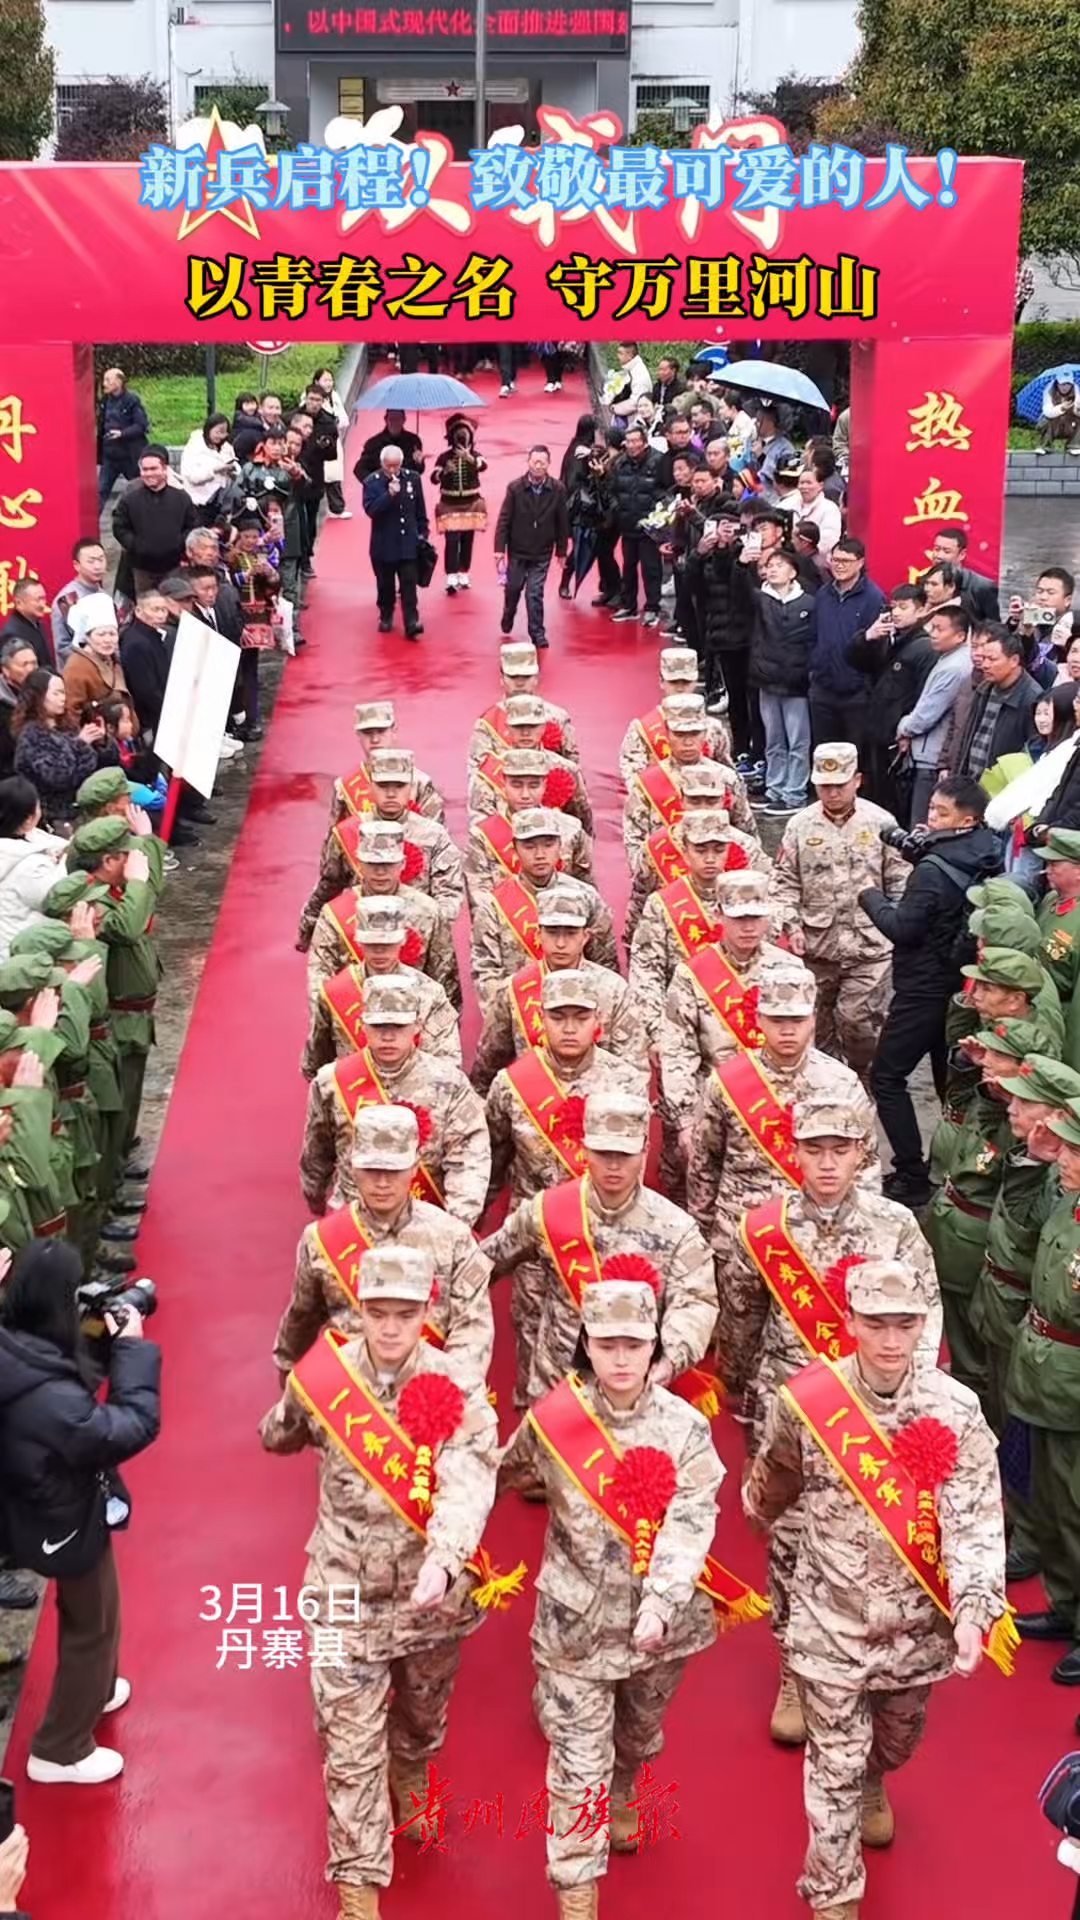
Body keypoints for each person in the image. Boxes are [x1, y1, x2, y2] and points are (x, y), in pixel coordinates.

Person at [745, 1257, 1008, 1920]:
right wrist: (759, 1514)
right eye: (875, 1324)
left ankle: (876, 1780)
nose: (891, 1341)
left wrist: (974, 1612)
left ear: (924, 1325)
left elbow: (975, 1518)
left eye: (905, 1324)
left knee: (895, 1739)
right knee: (830, 1764)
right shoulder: (810, 1401)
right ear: (850, 1322)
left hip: (915, 1631)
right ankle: (835, 1898)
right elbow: (774, 1476)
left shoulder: (955, 1411)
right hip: (828, 1622)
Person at [260, 1243, 498, 1918]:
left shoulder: (456, 1388)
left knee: (422, 1715)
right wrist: (277, 1422)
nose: (390, 1328)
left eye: (404, 1313)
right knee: (347, 1746)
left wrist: (446, 1560)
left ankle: (415, 1764)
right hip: (340, 1590)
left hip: (430, 1601)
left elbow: (469, 1483)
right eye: (377, 1313)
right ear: (359, 1310)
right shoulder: (325, 1379)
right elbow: (280, 1430)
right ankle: (359, 1890)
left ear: (427, 1311)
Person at [500, 1263, 725, 1919]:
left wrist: (660, 1600)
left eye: (635, 1344)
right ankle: (576, 1893)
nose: (621, 1357)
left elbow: (692, 1520)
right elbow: (505, 1471)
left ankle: (627, 1783)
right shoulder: (557, 1419)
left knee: (640, 1733)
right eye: (607, 1343)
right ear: (587, 1344)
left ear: (655, 1346)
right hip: (574, 1628)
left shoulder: (685, 1428)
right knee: (576, 1765)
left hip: (662, 1627)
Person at [727, 1097, 941, 1746]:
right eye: (813, 1149)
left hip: (874, 1420)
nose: (826, 1163)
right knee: (790, 1547)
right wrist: (742, 1400)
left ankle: (871, 1675)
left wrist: (911, 1400)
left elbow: (924, 1316)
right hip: (791, 1414)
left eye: (840, 1150)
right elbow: (739, 1320)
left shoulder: (896, 1226)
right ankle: (794, 1666)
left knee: (869, 1551)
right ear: (793, 1152)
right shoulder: (764, 1228)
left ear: (861, 1154)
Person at [0, 1238, 160, 1783]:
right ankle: (60, 1748)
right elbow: (126, 1428)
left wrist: (99, 1333)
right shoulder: (48, 1402)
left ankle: (97, 1686)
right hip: (60, 1518)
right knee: (92, 1620)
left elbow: (67, 1368)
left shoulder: (15, 1341)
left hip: (45, 1501)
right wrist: (134, 1349)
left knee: (98, 1604)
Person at [483, 1087, 717, 1411]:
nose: (613, 1165)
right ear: (585, 1148)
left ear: (646, 1150)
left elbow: (696, 1303)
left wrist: (668, 1362)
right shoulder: (548, 1211)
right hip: (557, 1395)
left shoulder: (676, 1229)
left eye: (625, 1154)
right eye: (603, 1152)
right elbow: (482, 1265)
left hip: (637, 1398)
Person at [686, 962, 879, 1300]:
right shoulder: (727, 1083)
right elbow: (705, 1162)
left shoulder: (841, 1084)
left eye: (797, 1020)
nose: (787, 1031)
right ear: (759, 1019)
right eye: (777, 1020)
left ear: (814, 1020)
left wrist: (859, 1233)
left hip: (818, 1240)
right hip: (741, 1235)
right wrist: (703, 1232)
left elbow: (866, 1166)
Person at [860, 775, 1003, 1205]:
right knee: (951, 1082)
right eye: (931, 809)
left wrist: (870, 896)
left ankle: (911, 1173)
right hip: (961, 988)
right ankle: (959, 1166)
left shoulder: (930, 873)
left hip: (922, 988)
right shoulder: (987, 852)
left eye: (941, 813)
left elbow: (902, 927)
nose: (930, 818)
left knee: (886, 1077)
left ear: (967, 818)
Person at [274, 1104, 492, 1381]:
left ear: (414, 1167)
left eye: (394, 1170)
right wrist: (289, 1368)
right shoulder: (320, 1240)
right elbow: (302, 1318)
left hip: (427, 1396)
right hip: (352, 1395)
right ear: (353, 1167)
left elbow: (473, 1326)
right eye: (372, 1169)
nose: (382, 1182)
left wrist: (447, 1390)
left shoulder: (454, 1239)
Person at [299, 974, 490, 1226]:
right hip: (355, 1219)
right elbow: (317, 1148)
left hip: (427, 1220)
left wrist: (454, 1225)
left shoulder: (450, 1084)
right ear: (364, 1026)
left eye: (398, 1026)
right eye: (379, 1027)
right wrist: (314, 1191)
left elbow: (470, 1157)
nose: (388, 1036)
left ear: (417, 1026)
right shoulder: (331, 1082)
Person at [774, 743, 907, 1081]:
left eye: (840, 784)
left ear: (857, 780)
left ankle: (862, 1073)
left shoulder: (881, 822)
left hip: (870, 946)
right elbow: (785, 881)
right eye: (824, 785)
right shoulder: (800, 826)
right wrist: (793, 926)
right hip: (818, 946)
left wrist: (897, 925)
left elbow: (899, 880)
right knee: (816, 1028)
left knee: (858, 1022)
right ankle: (830, 1083)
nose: (831, 793)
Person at [471, 882, 647, 1096]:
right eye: (553, 932)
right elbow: (487, 1069)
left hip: (599, 1112)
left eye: (571, 933)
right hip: (534, 1112)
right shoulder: (514, 989)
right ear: (538, 934)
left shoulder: (613, 990)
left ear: (585, 936)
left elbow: (633, 1070)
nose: (561, 943)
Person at [659, 867, 787, 1143]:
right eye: (739, 918)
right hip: (713, 1104)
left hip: (774, 1102)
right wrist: (685, 1121)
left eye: (756, 917)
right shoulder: (691, 975)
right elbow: (678, 1050)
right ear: (719, 915)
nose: (749, 927)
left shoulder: (789, 970)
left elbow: (801, 1047)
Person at [304, 820, 460, 1015]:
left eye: (388, 863)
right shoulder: (333, 915)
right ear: (359, 864)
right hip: (351, 1022)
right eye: (373, 863)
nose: (380, 871)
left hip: (412, 1024)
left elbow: (445, 979)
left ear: (402, 863)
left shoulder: (428, 911)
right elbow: (321, 981)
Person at [300, 893, 461, 1081]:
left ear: (402, 941)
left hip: (416, 1099)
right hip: (355, 1098)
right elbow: (316, 1065)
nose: (379, 950)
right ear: (359, 942)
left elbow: (448, 1066)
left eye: (387, 942)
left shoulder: (431, 994)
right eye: (372, 942)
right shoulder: (334, 993)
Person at [469, 809, 616, 1006]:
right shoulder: (493, 905)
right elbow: (487, 974)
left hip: (579, 1013)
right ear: (515, 848)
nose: (540, 854)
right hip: (522, 1014)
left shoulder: (586, 896)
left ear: (559, 845)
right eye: (529, 846)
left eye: (548, 845)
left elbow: (605, 962)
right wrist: (512, 1018)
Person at [845, 583, 934, 821]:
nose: (896, 613)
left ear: (922, 609)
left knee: (893, 796)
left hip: (897, 734)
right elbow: (855, 662)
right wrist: (867, 638)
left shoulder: (924, 647)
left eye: (903, 607)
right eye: (894, 607)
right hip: (875, 726)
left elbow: (922, 694)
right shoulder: (888, 638)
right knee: (874, 789)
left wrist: (908, 731)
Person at [749, 546, 816, 815]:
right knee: (774, 738)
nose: (773, 568)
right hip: (766, 679)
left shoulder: (809, 603)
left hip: (796, 682)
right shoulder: (758, 599)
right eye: (769, 565)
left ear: (793, 572)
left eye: (779, 564)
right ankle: (774, 787)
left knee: (798, 740)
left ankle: (794, 793)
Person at [807, 540, 888, 763]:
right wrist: (814, 667)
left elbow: (878, 648)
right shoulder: (824, 594)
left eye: (846, 561)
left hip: (856, 693)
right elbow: (814, 635)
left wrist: (862, 681)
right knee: (823, 754)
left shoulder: (873, 597)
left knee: (852, 756)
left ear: (860, 562)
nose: (839, 566)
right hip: (822, 688)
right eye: (835, 560)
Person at [894, 602, 972, 825]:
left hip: (932, 756)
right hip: (930, 751)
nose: (933, 634)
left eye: (940, 629)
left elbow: (925, 716)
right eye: (932, 628)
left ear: (959, 636)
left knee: (923, 821)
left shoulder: (954, 668)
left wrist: (903, 728)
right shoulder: (949, 659)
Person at [495, 447, 569, 652]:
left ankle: (537, 633)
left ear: (548, 464)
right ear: (528, 462)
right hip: (518, 550)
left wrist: (562, 552)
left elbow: (563, 522)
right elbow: (504, 520)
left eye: (542, 462)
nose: (538, 466)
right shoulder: (515, 488)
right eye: (535, 462)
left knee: (534, 593)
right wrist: (499, 550)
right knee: (513, 589)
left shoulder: (558, 489)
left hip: (542, 551)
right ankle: (508, 613)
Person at [11, 672, 102, 832]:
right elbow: (57, 775)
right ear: (38, 696)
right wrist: (79, 744)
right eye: (56, 693)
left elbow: (88, 767)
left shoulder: (67, 727)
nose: (63, 698)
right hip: (54, 817)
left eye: (63, 692)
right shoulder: (31, 735)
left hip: (82, 808)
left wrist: (100, 741)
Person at [468, 642, 578, 768]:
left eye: (526, 677)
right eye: (513, 677)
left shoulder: (557, 717)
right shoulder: (488, 723)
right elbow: (478, 773)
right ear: (502, 679)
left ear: (536, 678)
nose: (520, 683)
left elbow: (573, 769)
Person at [952, 625, 1040, 780]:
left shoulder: (1032, 698)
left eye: (992, 659)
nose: (985, 665)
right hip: (971, 782)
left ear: (1014, 660)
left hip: (1001, 788)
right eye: (984, 658)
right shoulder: (983, 689)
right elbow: (967, 738)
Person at [362, 446, 428, 641]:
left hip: (408, 542)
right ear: (382, 464)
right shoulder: (372, 483)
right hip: (384, 544)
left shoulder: (412, 478)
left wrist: (423, 533)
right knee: (385, 585)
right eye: (388, 466)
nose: (393, 470)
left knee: (409, 584)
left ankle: (411, 622)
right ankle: (386, 613)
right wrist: (388, 496)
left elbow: (419, 508)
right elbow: (371, 510)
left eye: (396, 466)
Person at [112, 447, 197, 595]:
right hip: (141, 569)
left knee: (174, 605)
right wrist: (136, 545)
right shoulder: (130, 499)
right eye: (145, 469)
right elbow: (119, 527)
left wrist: (178, 544)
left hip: (173, 567)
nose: (149, 473)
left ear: (165, 469)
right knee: (147, 610)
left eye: (153, 468)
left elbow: (192, 526)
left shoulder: (181, 498)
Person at [0, 777, 69, 959]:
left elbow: (46, 841)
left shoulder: (16, 844)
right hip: (18, 955)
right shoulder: (27, 864)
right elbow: (56, 896)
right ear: (29, 818)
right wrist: (65, 860)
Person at [227, 500, 279, 737]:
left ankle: (253, 718)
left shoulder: (264, 555)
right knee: (235, 672)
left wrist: (270, 575)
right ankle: (237, 718)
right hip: (237, 619)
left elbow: (273, 588)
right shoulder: (232, 558)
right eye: (246, 536)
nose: (250, 541)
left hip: (257, 618)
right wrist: (246, 574)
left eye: (254, 536)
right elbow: (228, 585)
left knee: (250, 671)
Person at [609, 426, 665, 628]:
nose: (632, 446)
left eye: (635, 441)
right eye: (629, 441)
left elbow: (665, 492)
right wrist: (618, 510)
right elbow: (612, 491)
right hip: (627, 524)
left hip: (649, 527)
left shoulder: (659, 461)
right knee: (628, 567)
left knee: (651, 568)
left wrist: (655, 516)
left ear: (644, 442)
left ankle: (652, 607)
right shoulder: (620, 463)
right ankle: (629, 605)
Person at [61, 595, 135, 732]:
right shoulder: (76, 667)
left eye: (112, 634)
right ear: (87, 637)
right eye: (101, 635)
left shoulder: (112, 660)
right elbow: (71, 711)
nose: (108, 640)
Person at [431, 414, 486, 593]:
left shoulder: (476, 455)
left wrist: (469, 458)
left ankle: (464, 571)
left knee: (467, 539)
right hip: (449, 502)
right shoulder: (444, 457)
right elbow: (433, 478)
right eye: (458, 434)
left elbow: (483, 465)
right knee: (452, 539)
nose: (462, 437)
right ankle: (451, 574)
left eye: (465, 433)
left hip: (471, 502)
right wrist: (445, 471)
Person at [96, 367, 149, 510]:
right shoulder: (104, 401)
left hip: (129, 455)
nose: (104, 384)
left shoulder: (132, 400)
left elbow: (141, 425)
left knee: (140, 490)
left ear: (118, 382)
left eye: (108, 380)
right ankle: (91, 528)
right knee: (100, 492)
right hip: (110, 457)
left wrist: (122, 433)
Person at [51, 541, 111, 666]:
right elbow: (62, 646)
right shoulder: (67, 599)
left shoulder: (105, 596)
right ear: (76, 565)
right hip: (80, 671)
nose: (97, 566)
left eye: (101, 559)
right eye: (91, 561)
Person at [927, 529, 1000, 622]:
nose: (939, 555)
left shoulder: (982, 587)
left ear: (962, 554)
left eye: (946, 551)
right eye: (937, 549)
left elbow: (994, 626)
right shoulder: (926, 581)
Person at [178, 413, 238, 525]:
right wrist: (215, 470)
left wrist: (232, 471)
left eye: (224, 432)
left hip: (220, 503)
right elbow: (193, 477)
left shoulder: (226, 448)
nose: (221, 436)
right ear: (209, 429)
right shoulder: (195, 448)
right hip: (199, 504)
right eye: (218, 432)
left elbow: (235, 467)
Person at [312, 366, 351, 519]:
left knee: (333, 476)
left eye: (330, 380)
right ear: (317, 381)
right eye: (325, 380)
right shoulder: (311, 397)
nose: (328, 383)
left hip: (333, 442)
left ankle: (337, 508)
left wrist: (337, 421)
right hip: (318, 443)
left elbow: (344, 418)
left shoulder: (334, 396)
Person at [0, 640, 41, 778]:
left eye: (34, 663)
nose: (31, 669)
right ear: (5, 670)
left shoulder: (42, 690)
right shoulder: (3, 704)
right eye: (24, 665)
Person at [354, 407, 425, 482]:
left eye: (398, 419)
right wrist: (374, 484)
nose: (394, 423)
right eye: (391, 419)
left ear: (404, 420)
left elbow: (418, 471)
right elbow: (359, 469)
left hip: (405, 487)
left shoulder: (414, 441)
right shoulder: (373, 443)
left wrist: (419, 463)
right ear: (385, 420)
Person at [0, 581, 53, 671]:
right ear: (19, 603)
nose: (42, 604)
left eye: (44, 599)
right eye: (38, 600)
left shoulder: (38, 623)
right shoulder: (12, 633)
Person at [795, 462, 842, 558]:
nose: (804, 487)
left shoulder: (829, 508)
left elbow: (830, 540)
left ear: (820, 486)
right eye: (801, 483)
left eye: (808, 483)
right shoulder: (790, 505)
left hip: (819, 561)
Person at [607, 341, 652, 429]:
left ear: (630, 355)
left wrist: (615, 408)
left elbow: (636, 402)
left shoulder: (639, 375)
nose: (618, 356)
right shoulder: (632, 369)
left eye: (620, 353)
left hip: (635, 420)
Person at [1037, 377, 1080, 456]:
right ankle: (1045, 446)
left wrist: (1076, 411)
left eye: (1068, 384)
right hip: (1053, 426)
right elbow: (1047, 412)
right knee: (1046, 419)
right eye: (1062, 384)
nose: (1065, 387)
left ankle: (1074, 446)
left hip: (1069, 426)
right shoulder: (1049, 392)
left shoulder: (1077, 393)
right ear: (1057, 383)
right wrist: (1061, 408)